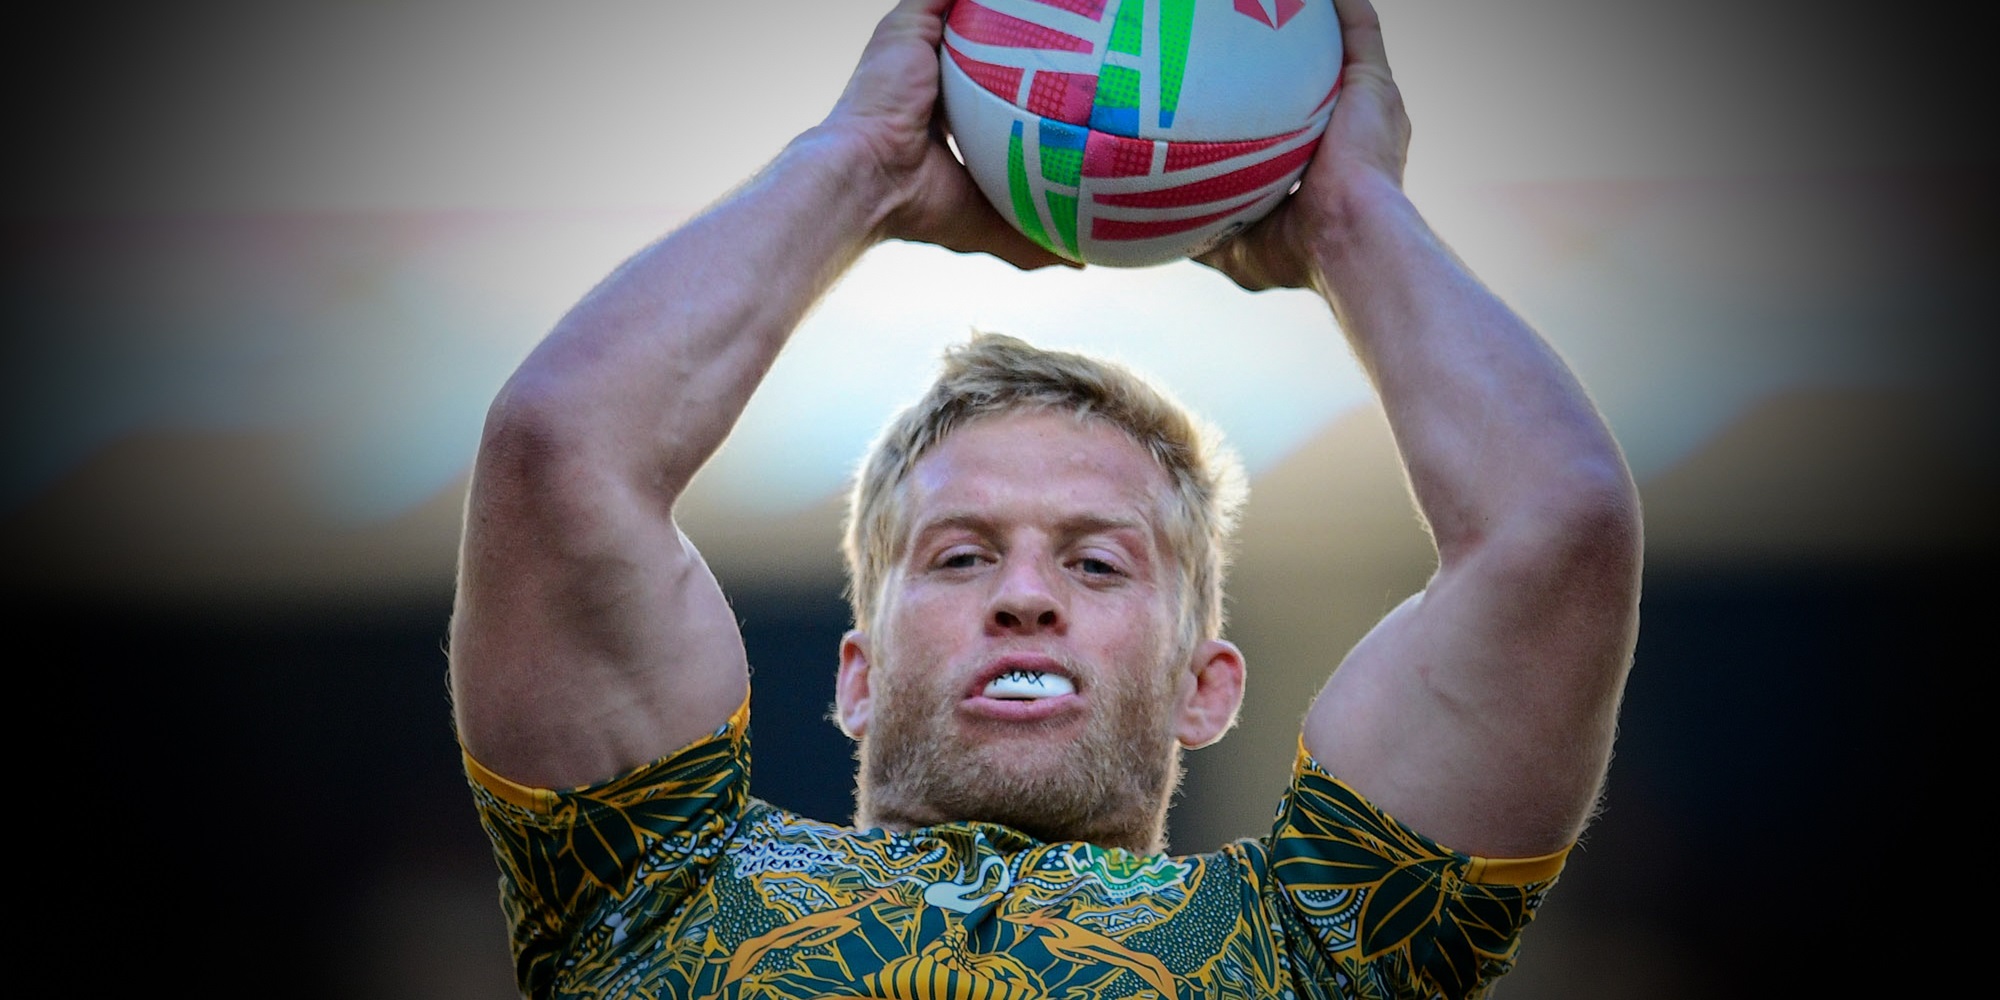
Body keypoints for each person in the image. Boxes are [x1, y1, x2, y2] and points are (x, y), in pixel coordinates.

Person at [448, 0, 1643, 996]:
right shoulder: (653, 889)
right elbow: (558, 455)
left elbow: (1558, 532)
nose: (1024, 594)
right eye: (960, 556)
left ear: (1203, 684)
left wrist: (1351, 219)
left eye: (1095, 562)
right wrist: (858, 166)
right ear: (857, 672)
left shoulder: (1319, 946)